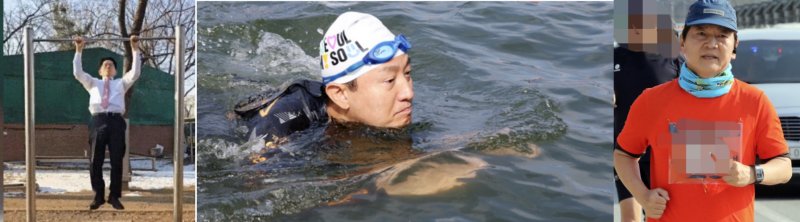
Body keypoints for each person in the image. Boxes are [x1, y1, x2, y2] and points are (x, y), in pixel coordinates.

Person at [614, 0, 792, 221]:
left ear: (735, 46)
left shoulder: (755, 101)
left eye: (722, 35)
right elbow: (623, 155)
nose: (711, 44)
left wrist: (751, 174)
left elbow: (784, 167)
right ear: (682, 42)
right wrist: (643, 196)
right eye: (701, 34)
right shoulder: (651, 100)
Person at [233, 11, 413, 155]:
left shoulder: (386, 113)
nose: (408, 93)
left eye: (407, 74)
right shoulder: (286, 118)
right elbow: (257, 178)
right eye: (389, 80)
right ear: (341, 94)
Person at [614, 10, 682, 222]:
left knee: (663, 215)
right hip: (625, 153)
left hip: (665, 153)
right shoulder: (616, 58)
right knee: (631, 218)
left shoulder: (673, 59)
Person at [73, 35, 142, 210]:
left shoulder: (121, 83)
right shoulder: (92, 83)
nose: (108, 66)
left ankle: (114, 196)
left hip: (116, 121)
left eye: (111, 65)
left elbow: (135, 73)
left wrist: (135, 49)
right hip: (98, 120)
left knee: (117, 160)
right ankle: (98, 195)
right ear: (100, 70)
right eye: (105, 65)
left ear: (115, 71)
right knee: (95, 160)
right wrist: (79, 50)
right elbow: (77, 73)